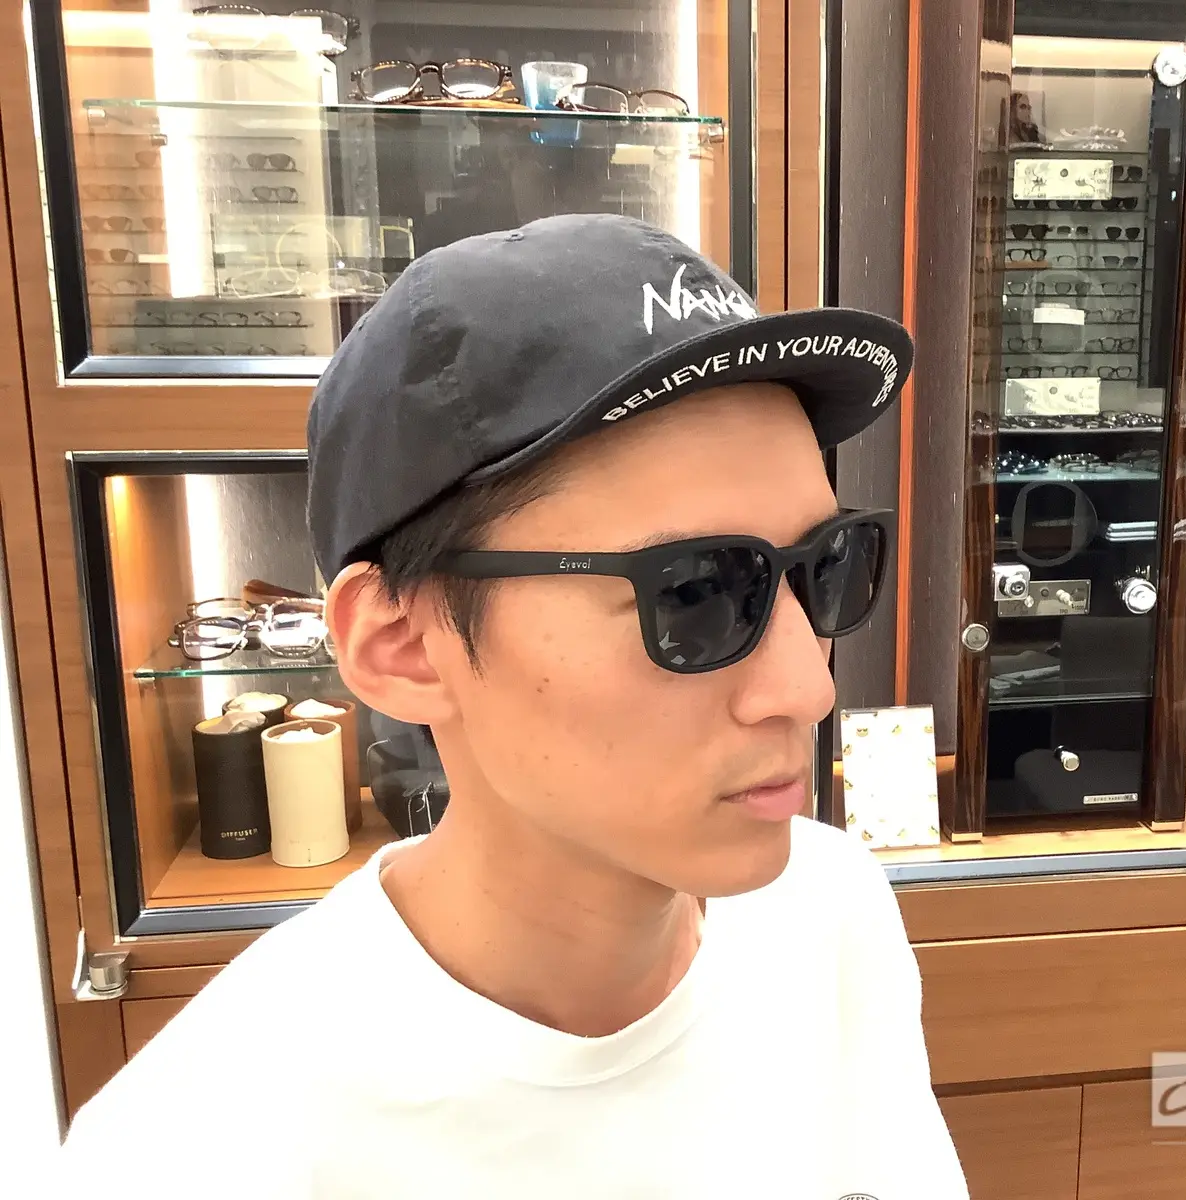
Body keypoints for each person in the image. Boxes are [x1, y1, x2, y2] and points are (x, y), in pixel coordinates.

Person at [56, 215, 968, 1199]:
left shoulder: (827, 913)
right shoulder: (192, 1158)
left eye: (826, 567)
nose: (808, 687)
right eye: (696, 592)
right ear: (403, 646)